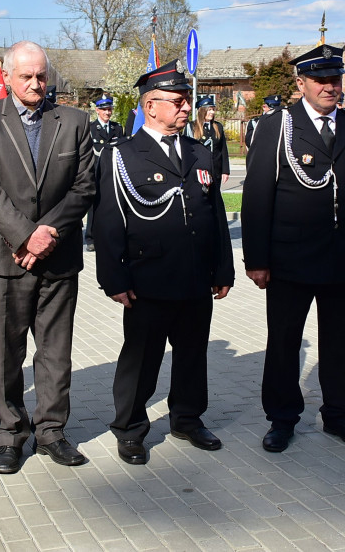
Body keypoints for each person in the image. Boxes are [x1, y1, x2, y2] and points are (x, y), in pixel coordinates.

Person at [242, 44, 345, 452]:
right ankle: (282, 418)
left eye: (335, 79)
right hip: (291, 258)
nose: (329, 87)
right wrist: (258, 260)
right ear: (300, 82)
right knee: (285, 342)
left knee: (340, 343)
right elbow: (256, 197)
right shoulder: (278, 126)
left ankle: (340, 416)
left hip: (343, 257)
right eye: (320, 80)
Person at [94, 60, 235, 464]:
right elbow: (107, 223)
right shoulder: (122, 155)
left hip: (194, 276)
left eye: (187, 99)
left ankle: (187, 419)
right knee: (141, 358)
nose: (186, 107)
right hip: (148, 278)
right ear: (151, 106)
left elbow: (215, 215)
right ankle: (130, 428)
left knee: (192, 354)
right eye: (177, 101)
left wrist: (222, 269)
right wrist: (114, 279)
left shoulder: (199, 152)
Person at [0, 41, 96, 473]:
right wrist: (24, 236)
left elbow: (84, 186)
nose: (37, 84)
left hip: (59, 259)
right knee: (6, 352)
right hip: (8, 260)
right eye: (26, 76)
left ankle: (52, 432)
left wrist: (49, 234)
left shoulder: (74, 122)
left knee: (56, 352)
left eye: (42, 76)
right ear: (6, 76)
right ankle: (9, 434)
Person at [84, 96, 123, 252]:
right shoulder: (91, 128)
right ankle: (90, 237)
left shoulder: (117, 128)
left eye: (109, 109)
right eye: (104, 109)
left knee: (112, 204)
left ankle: (110, 235)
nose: (108, 112)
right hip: (96, 171)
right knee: (93, 205)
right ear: (97, 110)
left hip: (112, 171)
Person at [187, 95, 230, 184]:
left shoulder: (218, 126)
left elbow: (223, 149)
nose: (212, 112)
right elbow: (187, 150)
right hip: (199, 170)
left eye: (213, 109)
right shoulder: (191, 127)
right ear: (202, 111)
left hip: (215, 169)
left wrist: (225, 171)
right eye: (209, 109)